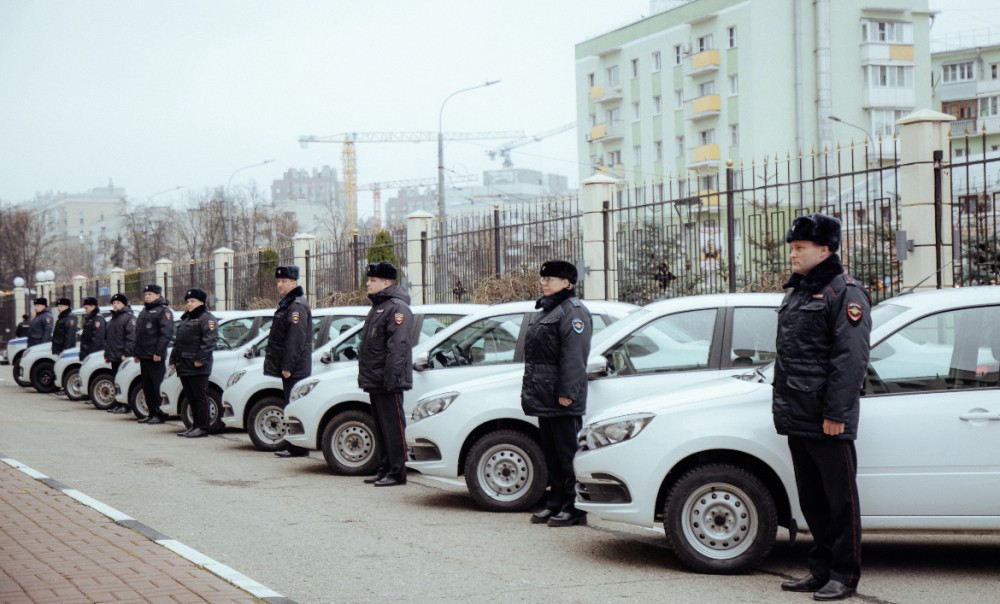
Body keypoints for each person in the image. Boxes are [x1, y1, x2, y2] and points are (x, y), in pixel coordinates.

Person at [773, 213, 871, 602]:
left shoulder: (845, 293)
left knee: (839, 501)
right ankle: (820, 569)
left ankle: (844, 575)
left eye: (800, 248)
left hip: (827, 417)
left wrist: (836, 414)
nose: (793, 255)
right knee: (812, 499)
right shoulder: (797, 291)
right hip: (798, 413)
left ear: (825, 249)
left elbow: (850, 360)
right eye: (793, 248)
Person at [521, 260, 592, 527]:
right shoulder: (550, 310)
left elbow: (574, 357)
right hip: (545, 396)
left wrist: (567, 393)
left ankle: (574, 507)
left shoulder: (573, 312)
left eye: (550, 279)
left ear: (567, 283)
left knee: (567, 454)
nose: (544, 283)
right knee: (552, 453)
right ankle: (555, 502)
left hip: (562, 398)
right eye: (544, 279)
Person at [357, 261, 413, 487]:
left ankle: (398, 471)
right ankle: (386, 467)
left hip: (388, 379)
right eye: (369, 279)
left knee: (394, 427)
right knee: (381, 426)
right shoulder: (379, 306)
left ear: (387, 283)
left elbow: (398, 346)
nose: (368, 283)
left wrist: (391, 378)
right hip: (376, 378)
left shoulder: (397, 308)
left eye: (373, 280)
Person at [263, 265, 313, 457]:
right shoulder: (289, 304)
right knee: (290, 406)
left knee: (294, 407)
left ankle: (298, 447)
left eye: (284, 281)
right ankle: (292, 444)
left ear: (294, 282)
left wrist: (287, 366)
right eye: (278, 281)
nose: (280, 285)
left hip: (295, 368)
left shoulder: (297, 306)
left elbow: (295, 339)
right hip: (292, 367)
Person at [170, 288, 218, 438]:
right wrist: (173, 359)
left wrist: (200, 360)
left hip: (197, 365)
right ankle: (194, 426)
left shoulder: (207, 319)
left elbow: (209, 341)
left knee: (200, 397)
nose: (189, 304)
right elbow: (178, 342)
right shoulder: (186, 319)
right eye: (188, 301)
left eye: (192, 301)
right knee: (190, 397)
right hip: (184, 364)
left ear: (201, 302)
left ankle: (203, 427)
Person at [134, 284, 175, 425]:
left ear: (158, 295)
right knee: (147, 386)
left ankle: (160, 413)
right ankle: (151, 412)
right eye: (145, 294)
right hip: (144, 355)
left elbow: (166, 334)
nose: (147, 296)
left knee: (157, 386)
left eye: (150, 294)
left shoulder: (163, 311)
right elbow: (139, 334)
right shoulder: (144, 311)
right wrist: (136, 352)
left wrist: (159, 352)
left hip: (155, 356)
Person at [104, 293, 137, 414]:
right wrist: (107, 355)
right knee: (116, 381)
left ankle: (125, 406)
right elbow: (109, 338)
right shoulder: (114, 318)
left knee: (123, 381)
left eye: (118, 303)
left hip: (123, 357)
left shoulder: (129, 318)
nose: (115, 305)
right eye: (114, 303)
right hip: (114, 356)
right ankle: (117, 404)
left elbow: (131, 338)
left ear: (124, 304)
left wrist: (127, 354)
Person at [78, 297, 106, 362]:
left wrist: (92, 355)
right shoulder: (88, 318)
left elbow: (98, 339)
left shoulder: (98, 319)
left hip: (93, 354)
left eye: (86, 308)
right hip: (86, 352)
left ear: (93, 307)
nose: (85, 310)